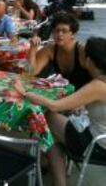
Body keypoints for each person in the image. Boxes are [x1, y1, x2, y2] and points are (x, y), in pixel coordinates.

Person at [14, 36, 106, 186]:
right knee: (53, 132)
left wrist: (24, 93)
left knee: (48, 117)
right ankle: (53, 174)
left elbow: (54, 106)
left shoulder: (98, 85)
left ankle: (56, 179)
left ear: (88, 60)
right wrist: (83, 106)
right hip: (100, 137)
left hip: (96, 146)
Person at [28, 12, 91, 90]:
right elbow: (31, 72)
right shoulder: (50, 50)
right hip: (64, 92)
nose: (59, 34)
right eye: (56, 30)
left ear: (73, 34)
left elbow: (99, 79)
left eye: (64, 31)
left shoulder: (83, 51)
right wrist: (33, 49)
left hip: (86, 93)